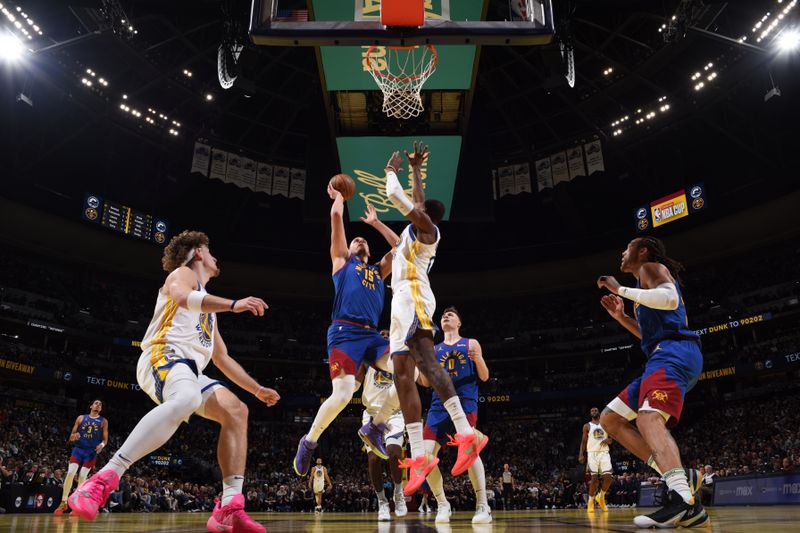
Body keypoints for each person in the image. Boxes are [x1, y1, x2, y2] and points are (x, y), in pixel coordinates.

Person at [68, 230, 280, 533]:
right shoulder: (182, 275)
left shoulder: (208, 310)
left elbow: (221, 359)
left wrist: (256, 389)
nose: (214, 256)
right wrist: (235, 304)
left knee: (237, 411)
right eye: (210, 250)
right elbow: (182, 297)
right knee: (188, 399)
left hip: (191, 371)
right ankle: (102, 480)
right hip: (163, 355)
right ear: (197, 253)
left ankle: (229, 508)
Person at [360, 142, 488, 497]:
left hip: (414, 295)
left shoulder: (429, 231)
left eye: (418, 209)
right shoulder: (409, 236)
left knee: (428, 363)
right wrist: (378, 220)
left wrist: (392, 172)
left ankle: (465, 434)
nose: (414, 209)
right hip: (398, 300)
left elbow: (402, 197)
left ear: (425, 215)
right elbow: (398, 235)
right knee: (402, 376)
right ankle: (419, 455)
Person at [597, 236, 708, 528]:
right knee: (610, 420)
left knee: (648, 417)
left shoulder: (650, 268)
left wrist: (618, 288)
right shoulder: (642, 290)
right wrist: (621, 317)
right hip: (659, 355)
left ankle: (682, 499)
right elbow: (648, 337)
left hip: (675, 352)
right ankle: (682, 485)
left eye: (626, 248)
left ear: (642, 251)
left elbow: (670, 298)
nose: (622, 253)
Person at [293, 184, 400, 476]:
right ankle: (309, 441)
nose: (359, 239)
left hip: (373, 336)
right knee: (341, 395)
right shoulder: (342, 262)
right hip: (344, 332)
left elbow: (400, 248)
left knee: (408, 372)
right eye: (355, 240)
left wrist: (376, 223)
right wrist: (338, 195)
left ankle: (375, 426)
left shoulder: (378, 271)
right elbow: (337, 218)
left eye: (363, 239)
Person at [418, 307, 491, 524]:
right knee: (425, 457)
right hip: (439, 405)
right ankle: (442, 504)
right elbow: (424, 383)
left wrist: (478, 359)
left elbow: (485, 376)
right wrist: (422, 366)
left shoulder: (471, 343)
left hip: (465, 402)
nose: (446, 316)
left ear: (459, 322)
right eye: (443, 315)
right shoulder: (433, 348)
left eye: (451, 314)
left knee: (469, 451)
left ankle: (482, 504)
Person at [355, 358, 408, 521]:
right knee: (373, 459)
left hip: (394, 413)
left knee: (394, 453)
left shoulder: (398, 358)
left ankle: (398, 494)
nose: (385, 336)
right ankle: (382, 502)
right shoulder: (365, 360)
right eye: (382, 334)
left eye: (387, 334)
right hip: (371, 414)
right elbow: (355, 383)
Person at [55, 399, 108, 515]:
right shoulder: (81, 418)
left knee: (83, 476)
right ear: (91, 406)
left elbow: (105, 439)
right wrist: (73, 436)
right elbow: (71, 436)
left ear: (101, 409)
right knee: (70, 473)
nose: (98, 405)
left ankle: (76, 505)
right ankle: (64, 502)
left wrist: (102, 445)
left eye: (100, 404)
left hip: (91, 452)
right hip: (78, 450)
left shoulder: (103, 421)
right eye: (96, 403)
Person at [578, 407, 613, 513]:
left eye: (595, 410)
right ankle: (590, 502)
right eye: (592, 411)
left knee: (608, 478)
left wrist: (608, 440)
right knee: (594, 480)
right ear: (590, 414)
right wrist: (581, 454)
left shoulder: (605, 424)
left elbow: (611, 439)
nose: (594, 412)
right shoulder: (587, 426)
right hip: (592, 453)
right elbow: (583, 441)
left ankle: (601, 497)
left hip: (604, 453)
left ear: (599, 412)